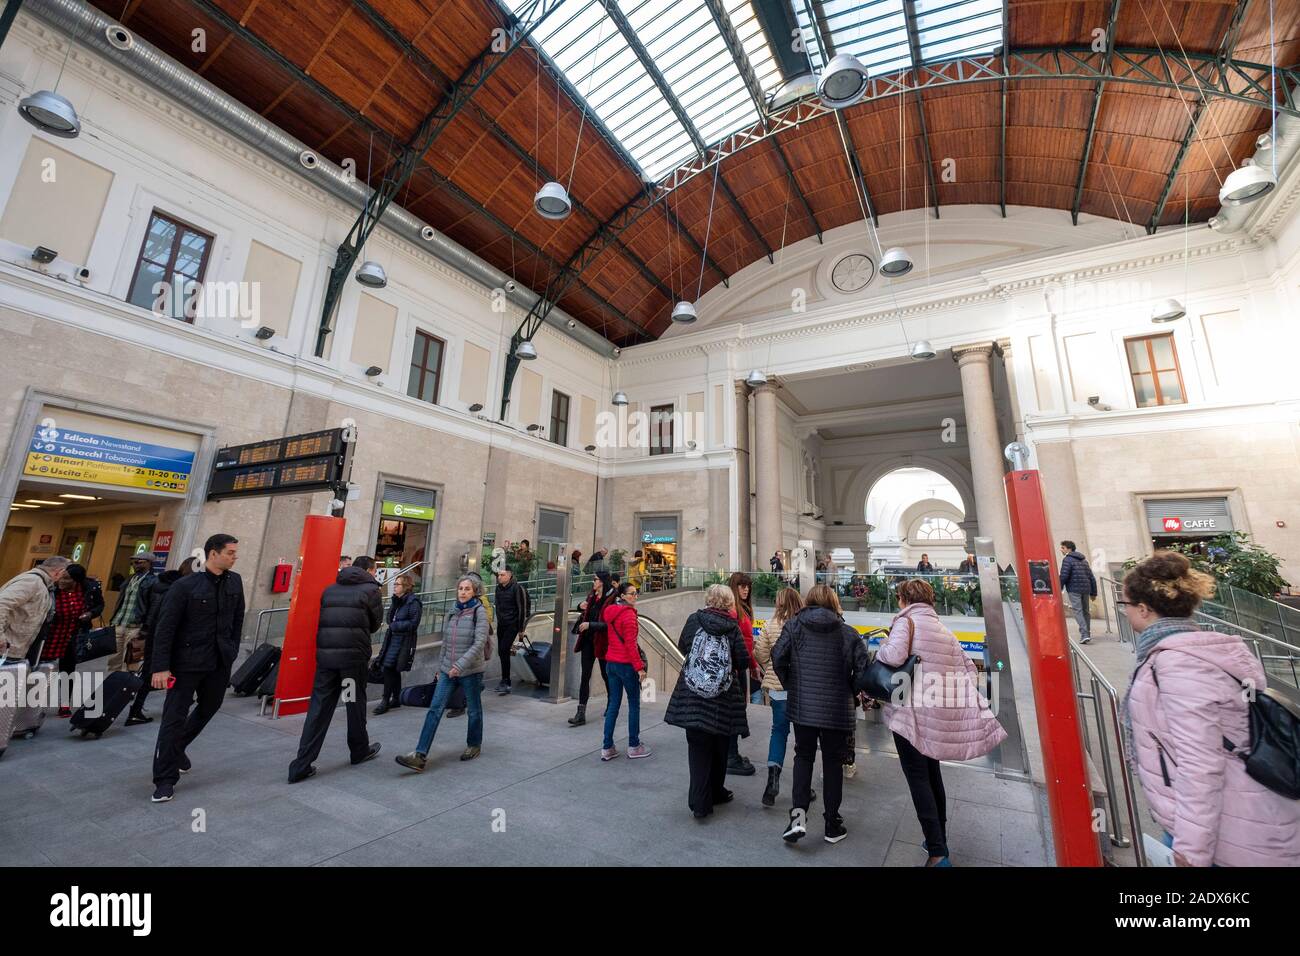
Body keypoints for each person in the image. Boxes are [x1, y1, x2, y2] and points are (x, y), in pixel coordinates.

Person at [1122, 552, 1300, 866]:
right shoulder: (1205, 649)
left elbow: (1199, 763)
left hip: (1225, 832)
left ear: (1143, 609)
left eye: (1125, 605)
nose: (1124, 613)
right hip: (1242, 815)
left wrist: (1191, 850)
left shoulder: (1179, 664)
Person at [877, 578, 1008, 866]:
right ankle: (938, 839)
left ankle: (938, 853)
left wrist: (882, 646)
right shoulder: (943, 629)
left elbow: (894, 655)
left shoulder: (906, 622)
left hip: (910, 715)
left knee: (918, 780)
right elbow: (968, 668)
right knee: (932, 776)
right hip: (935, 715)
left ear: (904, 599)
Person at [149, 534, 244, 803]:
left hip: (218, 661)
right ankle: (165, 779)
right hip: (186, 663)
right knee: (173, 717)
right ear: (213, 554)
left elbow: (238, 619)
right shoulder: (185, 586)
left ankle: (177, 748)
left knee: (209, 706)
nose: (235, 556)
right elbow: (165, 628)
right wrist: (160, 667)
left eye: (235, 552)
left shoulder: (235, 582)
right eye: (230, 552)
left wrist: (232, 649)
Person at [771, 584, 868, 845]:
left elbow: (777, 656)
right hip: (837, 709)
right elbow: (863, 672)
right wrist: (850, 690)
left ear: (810, 601)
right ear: (835, 603)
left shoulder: (793, 626)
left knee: (803, 757)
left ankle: (797, 819)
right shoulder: (849, 633)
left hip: (803, 707)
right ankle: (831, 824)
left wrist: (793, 684)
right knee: (833, 763)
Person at [287, 555, 384, 783]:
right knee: (353, 703)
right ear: (369, 570)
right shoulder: (371, 591)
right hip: (351, 661)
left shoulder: (330, 590)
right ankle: (359, 750)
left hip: (327, 660)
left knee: (319, 707)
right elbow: (374, 624)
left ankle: (301, 763)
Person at [664, 584, 756, 818]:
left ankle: (700, 803)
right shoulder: (732, 626)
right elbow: (743, 661)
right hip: (722, 700)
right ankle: (717, 791)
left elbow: (683, 646)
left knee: (697, 750)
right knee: (720, 748)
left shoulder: (694, 619)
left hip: (692, 697)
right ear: (728, 603)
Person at [395, 575, 489, 771]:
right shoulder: (453, 611)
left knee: (473, 709)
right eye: (460, 588)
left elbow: (479, 643)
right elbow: (446, 642)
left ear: (475, 592)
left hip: (470, 671)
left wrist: (460, 666)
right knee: (435, 709)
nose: (463, 592)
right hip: (447, 670)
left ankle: (474, 744)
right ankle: (420, 755)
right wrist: (441, 667)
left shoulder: (479, 612)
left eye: (467, 589)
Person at [126, 556, 195, 726]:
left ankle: (137, 709)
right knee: (158, 675)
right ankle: (138, 710)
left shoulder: (163, 585)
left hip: (155, 636)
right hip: (165, 638)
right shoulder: (178, 590)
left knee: (155, 674)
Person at [753, 586, 805, 807]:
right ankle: (803, 786)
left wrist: (770, 668)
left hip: (777, 688)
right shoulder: (804, 625)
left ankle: (772, 781)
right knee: (803, 740)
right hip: (802, 690)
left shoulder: (770, 624)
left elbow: (760, 653)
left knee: (779, 732)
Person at [42, 563, 103, 717]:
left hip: (74, 634)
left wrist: (90, 614)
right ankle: (32, 704)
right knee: (41, 669)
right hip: (52, 634)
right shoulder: (52, 589)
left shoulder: (89, 589)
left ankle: (64, 704)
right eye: (62, 577)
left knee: (67, 670)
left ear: (77, 580)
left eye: (67, 579)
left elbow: (99, 605)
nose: (62, 581)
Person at [601, 582, 650, 760]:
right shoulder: (628, 616)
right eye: (631, 594)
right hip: (626, 665)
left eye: (636, 593)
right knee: (634, 704)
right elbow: (631, 646)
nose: (635, 597)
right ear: (622, 596)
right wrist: (640, 668)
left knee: (613, 704)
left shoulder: (611, 612)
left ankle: (607, 747)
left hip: (611, 663)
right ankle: (634, 745)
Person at [0, 555, 68, 664]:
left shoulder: (42, 584)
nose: (63, 579)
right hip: (6, 649)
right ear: (59, 572)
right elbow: (2, 604)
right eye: (64, 575)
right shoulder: (32, 582)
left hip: (13, 650)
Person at [568, 570, 615, 726]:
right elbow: (585, 611)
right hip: (588, 640)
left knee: (605, 674)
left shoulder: (612, 599)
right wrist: (579, 606)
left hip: (602, 642)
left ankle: (611, 703)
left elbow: (610, 625)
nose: (593, 582)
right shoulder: (592, 596)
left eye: (594, 579)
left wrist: (591, 625)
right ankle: (581, 712)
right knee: (585, 676)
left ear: (601, 581)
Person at [374, 572, 421, 715]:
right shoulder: (397, 601)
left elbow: (414, 623)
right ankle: (396, 699)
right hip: (392, 639)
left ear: (406, 586)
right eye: (394, 584)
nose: (394, 586)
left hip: (404, 641)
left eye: (397, 584)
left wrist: (395, 626)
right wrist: (393, 617)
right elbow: (389, 618)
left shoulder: (413, 602)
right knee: (392, 669)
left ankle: (385, 700)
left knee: (389, 669)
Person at [726, 571, 757, 776]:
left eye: (747, 586)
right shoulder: (734, 613)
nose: (745, 589)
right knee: (735, 712)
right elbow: (741, 643)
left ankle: (731, 754)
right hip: (735, 668)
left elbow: (747, 643)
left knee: (736, 711)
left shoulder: (741, 610)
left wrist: (752, 664)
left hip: (740, 666)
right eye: (741, 586)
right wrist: (750, 663)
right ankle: (731, 756)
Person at [106, 553, 157, 673]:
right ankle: (112, 685)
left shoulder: (154, 581)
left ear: (148, 563)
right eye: (133, 562)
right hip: (119, 623)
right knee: (113, 660)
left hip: (135, 627)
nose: (135, 565)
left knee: (129, 662)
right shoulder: (130, 578)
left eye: (138, 562)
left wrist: (146, 628)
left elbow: (154, 607)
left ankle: (124, 688)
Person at [492, 567, 531, 696]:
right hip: (502, 624)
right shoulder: (498, 588)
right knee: (501, 651)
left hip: (513, 624)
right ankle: (504, 680)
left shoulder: (517, 588)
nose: (499, 577)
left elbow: (522, 609)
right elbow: (497, 606)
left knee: (504, 649)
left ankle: (506, 681)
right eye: (498, 575)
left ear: (509, 575)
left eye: (502, 575)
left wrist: (521, 629)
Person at [1058, 540, 1098, 645]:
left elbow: (1064, 576)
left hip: (1074, 589)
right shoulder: (1083, 560)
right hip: (1086, 589)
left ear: (1068, 549)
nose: (1061, 550)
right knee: (1085, 611)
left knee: (1078, 611)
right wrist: (1094, 593)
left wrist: (1059, 588)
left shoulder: (1067, 560)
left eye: (1062, 548)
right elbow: (1091, 577)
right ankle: (1087, 633)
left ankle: (1084, 634)